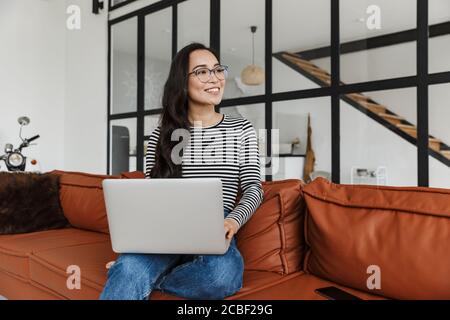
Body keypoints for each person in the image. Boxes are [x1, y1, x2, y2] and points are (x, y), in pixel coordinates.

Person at [100, 42, 263, 300]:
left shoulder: (241, 128)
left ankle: (154, 279)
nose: (215, 78)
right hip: (166, 226)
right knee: (131, 269)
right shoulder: (160, 135)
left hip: (215, 226)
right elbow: (151, 194)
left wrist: (233, 220)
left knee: (222, 276)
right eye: (202, 72)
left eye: (218, 70)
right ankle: (132, 271)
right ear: (182, 82)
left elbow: (254, 187)